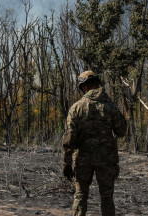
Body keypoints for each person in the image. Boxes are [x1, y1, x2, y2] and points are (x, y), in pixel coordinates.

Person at [62, 70, 127, 216]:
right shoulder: (110, 107)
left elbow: (69, 137)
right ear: (97, 84)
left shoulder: (77, 107)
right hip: (106, 159)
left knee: (80, 195)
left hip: (82, 159)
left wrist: (66, 162)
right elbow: (121, 131)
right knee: (107, 196)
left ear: (84, 87)